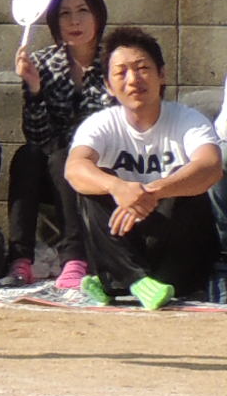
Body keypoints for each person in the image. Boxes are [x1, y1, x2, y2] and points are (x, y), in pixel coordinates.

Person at [63, 26, 223, 308]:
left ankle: (123, 281)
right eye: (121, 72)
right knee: (92, 185)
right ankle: (136, 281)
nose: (133, 79)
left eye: (142, 68)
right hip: (125, 239)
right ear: (109, 85)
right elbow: (74, 168)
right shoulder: (101, 124)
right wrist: (117, 187)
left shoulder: (188, 119)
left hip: (175, 250)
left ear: (161, 74)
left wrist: (153, 191)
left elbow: (211, 165)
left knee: (186, 181)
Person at [10, 0, 111, 287]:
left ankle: (75, 258)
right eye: (64, 14)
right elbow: (37, 137)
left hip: (102, 169)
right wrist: (35, 89)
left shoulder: (117, 63)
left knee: (64, 156)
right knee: (29, 155)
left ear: (98, 15)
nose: (74, 21)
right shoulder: (43, 63)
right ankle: (20, 257)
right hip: (53, 171)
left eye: (82, 11)